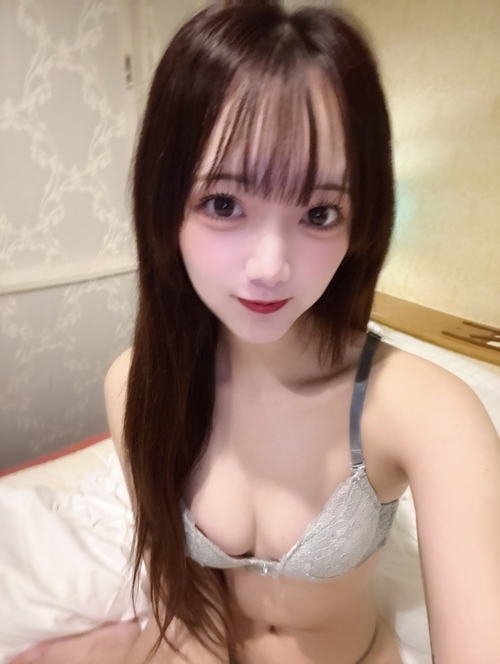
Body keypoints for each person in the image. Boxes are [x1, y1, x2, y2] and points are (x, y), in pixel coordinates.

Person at [12, 1, 500, 663]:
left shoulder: (431, 412)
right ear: (165, 208)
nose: (270, 267)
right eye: (224, 204)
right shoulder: (135, 386)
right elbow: (180, 587)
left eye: (319, 212)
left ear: (361, 222)